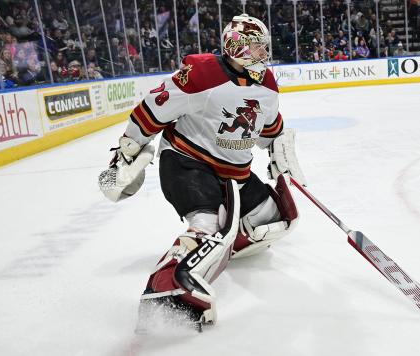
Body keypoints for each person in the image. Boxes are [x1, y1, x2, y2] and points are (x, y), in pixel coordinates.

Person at [98, 14, 305, 330]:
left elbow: (269, 132)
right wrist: (128, 150)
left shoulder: (266, 84)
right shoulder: (202, 74)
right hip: (187, 162)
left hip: (234, 171)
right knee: (206, 224)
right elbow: (153, 108)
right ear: (238, 48)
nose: (264, 54)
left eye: (264, 48)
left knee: (273, 218)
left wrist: (282, 153)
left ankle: (224, 242)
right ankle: (165, 290)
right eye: (257, 47)